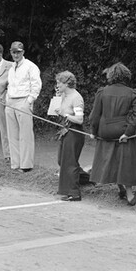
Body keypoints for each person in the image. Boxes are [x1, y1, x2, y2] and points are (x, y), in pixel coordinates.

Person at [88, 62, 136, 205]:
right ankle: (130, 194)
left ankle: (121, 189)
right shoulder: (132, 93)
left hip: (105, 131)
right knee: (126, 161)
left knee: (112, 159)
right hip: (122, 131)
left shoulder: (102, 92)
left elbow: (94, 115)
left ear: (110, 75)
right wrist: (128, 133)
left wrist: (93, 132)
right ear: (126, 75)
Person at [4, 41, 41, 172]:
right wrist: (7, 99)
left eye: (18, 52)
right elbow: (10, 85)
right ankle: (15, 163)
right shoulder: (12, 67)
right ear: (11, 52)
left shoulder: (31, 66)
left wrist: (30, 100)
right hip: (11, 102)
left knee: (25, 135)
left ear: (23, 52)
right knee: (12, 134)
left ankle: (26, 165)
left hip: (24, 100)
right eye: (14, 52)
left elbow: (36, 85)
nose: (16, 54)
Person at [53, 71, 88, 201]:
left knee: (70, 162)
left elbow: (79, 120)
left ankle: (74, 193)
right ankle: (86, 179)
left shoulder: (76, 98)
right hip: (65, 130)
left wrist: (65, 115)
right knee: (61, 160)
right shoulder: (64, 96)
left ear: (67, 83)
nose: (57, 85)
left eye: (59, 83)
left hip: (74, 132)